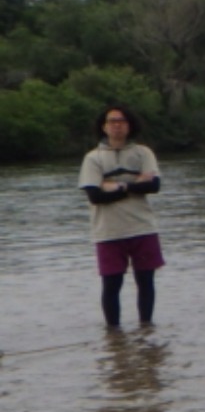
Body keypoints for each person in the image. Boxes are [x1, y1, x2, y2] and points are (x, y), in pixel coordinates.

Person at [79, 103, 164, 329]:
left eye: (122, 121)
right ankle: (114, 334)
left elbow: (154, 186)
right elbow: (95, 196)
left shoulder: (143, 153)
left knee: (146, 282)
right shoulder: (93, 158)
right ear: (104, 127)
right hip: (108, 231)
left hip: (142, 227)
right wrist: (133, 185)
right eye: (112, 121)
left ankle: (147, 329)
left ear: (130, 125)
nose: (117, 126)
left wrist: (116, 187)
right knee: (111, 284)